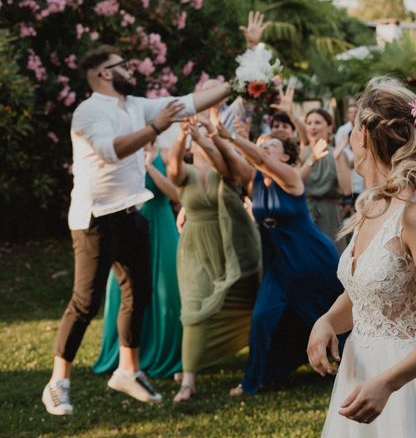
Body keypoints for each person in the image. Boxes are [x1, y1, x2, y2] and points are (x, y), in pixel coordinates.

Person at [42, 45, 231, 416]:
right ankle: (57, 382)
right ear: (102, 74)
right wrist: (154, 128)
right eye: (121, 66)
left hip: (131, 213)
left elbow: (188, 102)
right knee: (85, 302)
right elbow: (112, 151)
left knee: (139, 292)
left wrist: (237, 85)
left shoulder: (135, 105)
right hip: (95, 218)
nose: (129, 69)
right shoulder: (88, 111)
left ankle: (128, 370)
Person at [307, 78, 416, 436]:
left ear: (364, 137)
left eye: (352, 129)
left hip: (410, 384)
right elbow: (365, 293)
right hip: (361, 374)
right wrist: (326, 322)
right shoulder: (372, 206)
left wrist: (389, 383)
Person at [215, 124, 344, 396]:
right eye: (259, 143)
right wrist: (210, 134)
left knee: (329, 312)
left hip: (310, 258)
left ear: (286, 157)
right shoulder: (254, 179)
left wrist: (234, 137)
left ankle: (350, 363)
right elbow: (231, 158)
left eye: (270, 144)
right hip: (277, 264)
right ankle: (255, 379)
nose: (262, 148)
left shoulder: (291, 178)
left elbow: (257, 158)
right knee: (262, 316)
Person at [167, 110, 261, 402]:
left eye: (203, 142)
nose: (200, 146)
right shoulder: (187, 175)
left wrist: (209, 136)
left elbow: (224, 166)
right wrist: (182, 136)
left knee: (250, 303)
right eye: (196, 144)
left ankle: (259, 362)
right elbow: (172, 167)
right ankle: (189, 380)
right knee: (193, 309)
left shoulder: (226, 173)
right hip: (195, 249)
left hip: (232, 247)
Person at [92, 142, 182, 378]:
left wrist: (149, 167)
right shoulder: (122, 155)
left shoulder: (166, 154)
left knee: (167, 289)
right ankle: (125, 356)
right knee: (125, 291)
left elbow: (175, 194)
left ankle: (166, 353)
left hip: (161, 222)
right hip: (129, 225)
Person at [300, 108, 351, 251]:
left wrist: (338, 158)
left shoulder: (337, 153)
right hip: (304, 212)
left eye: (317, 122)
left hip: (328, 214)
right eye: (309, 123)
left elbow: (347, 189)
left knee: (330, 257)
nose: (313, 127)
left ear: (329, 127)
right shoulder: (301, 154)